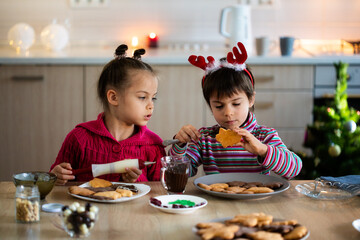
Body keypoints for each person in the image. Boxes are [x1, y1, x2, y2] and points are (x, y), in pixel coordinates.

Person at [169, 42, 302, 179]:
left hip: (256, 200)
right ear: (210, 105)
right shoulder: (205, 138)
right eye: (219, 106)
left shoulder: (264, 136)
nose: (228, 112)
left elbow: (294, 168)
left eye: (236, 103)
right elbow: (178, 173)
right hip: (216, 199)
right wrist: (180, 145)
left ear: (251, 100)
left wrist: (262, 150)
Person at [51, 44, 166, 185]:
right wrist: (56, 176)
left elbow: (160, 193)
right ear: (113, 97)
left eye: (153, 97)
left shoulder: (154, 146)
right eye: (142, 97)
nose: (151, 105)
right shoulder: (79, 139)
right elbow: (55, 182)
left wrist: (134, 181)